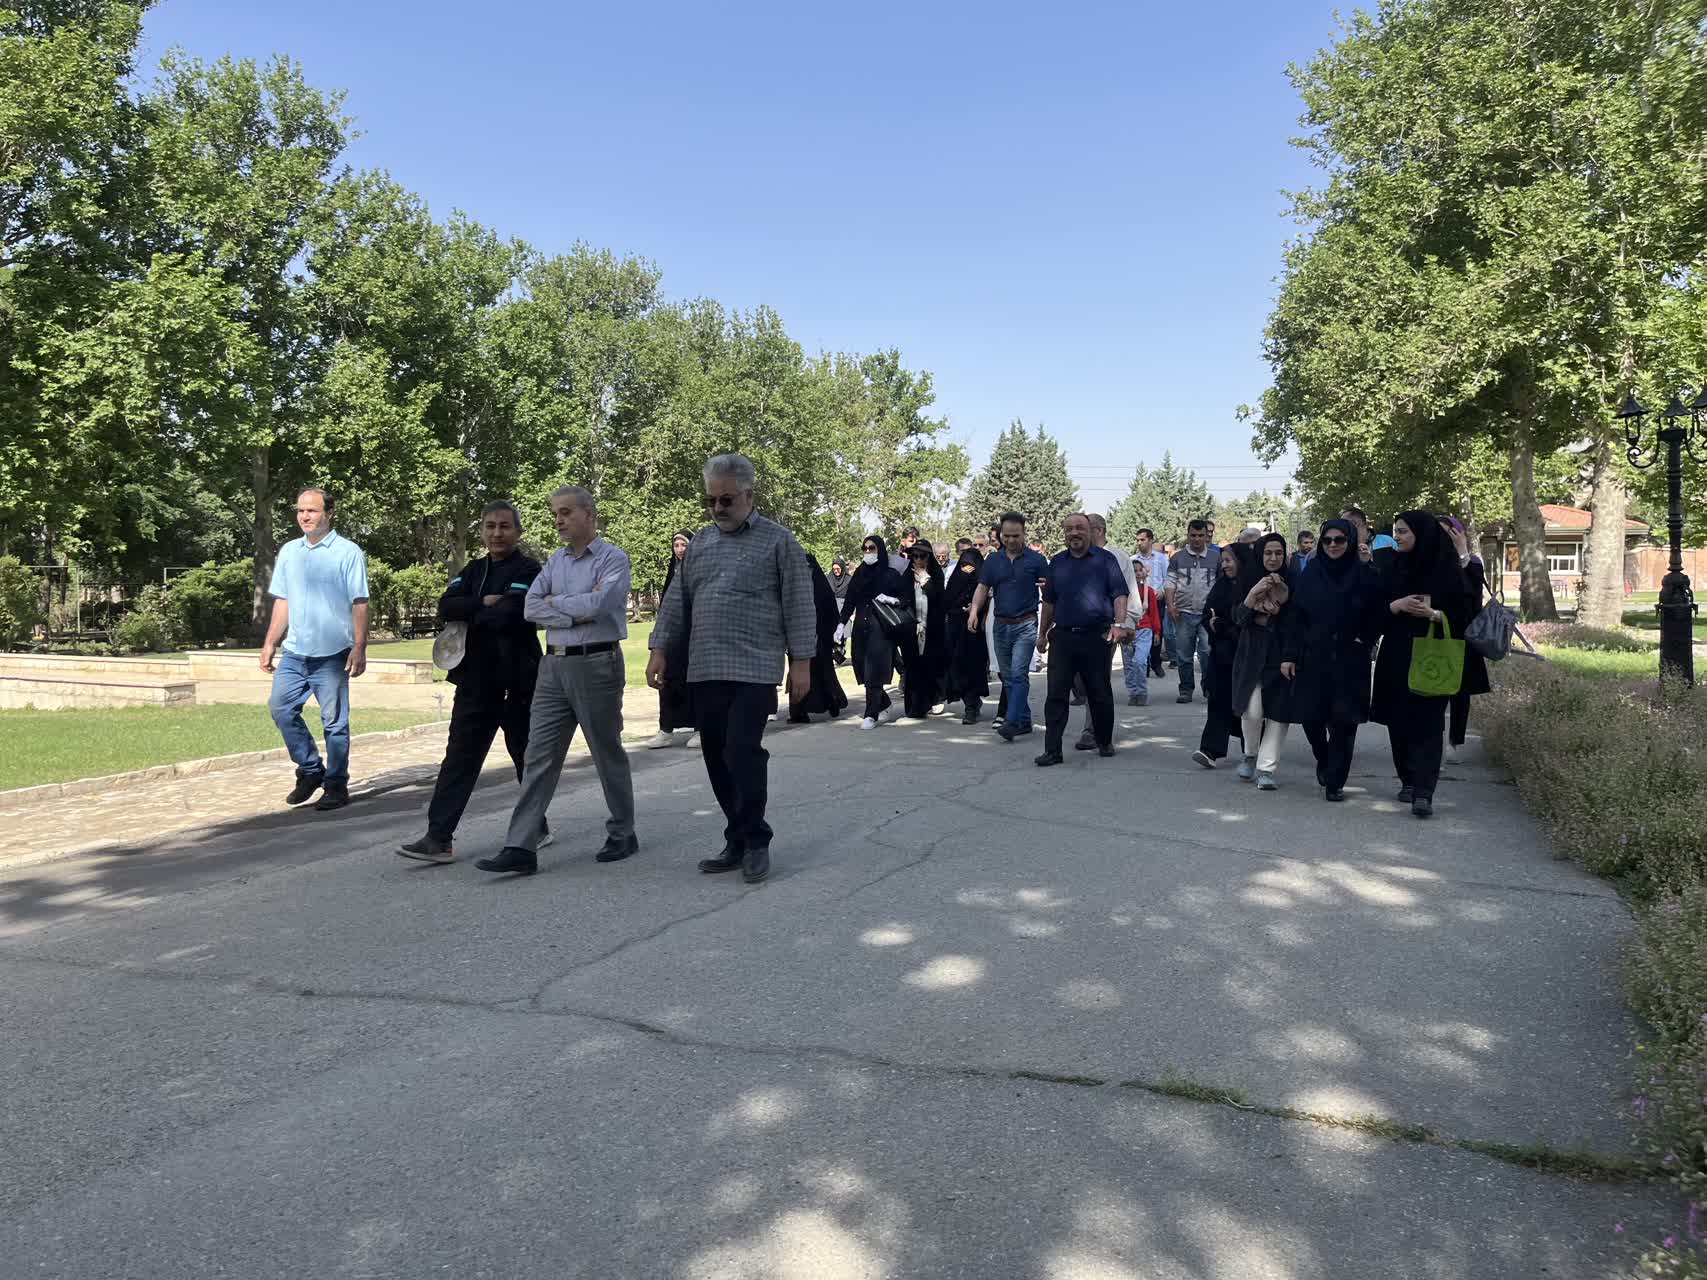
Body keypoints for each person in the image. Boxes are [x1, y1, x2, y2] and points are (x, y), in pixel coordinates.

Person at [646, 453, 817, 884]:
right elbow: (676, 602)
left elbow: (799, 604)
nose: (718, 508)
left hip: (755, 668)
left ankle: (756, 840)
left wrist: (801, 663)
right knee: (716, 756)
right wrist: (658, 649)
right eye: (711, 501)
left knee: (742, 751)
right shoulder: (700, 544)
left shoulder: (779, 541)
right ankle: (737, 837)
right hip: (705, 667)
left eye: (726, 500)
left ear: (748, 495)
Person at [476, 486, 636, 876]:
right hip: (553, 667)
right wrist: (572, 609)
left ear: (589, 514)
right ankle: (521, 845)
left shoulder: (613, 559)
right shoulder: (555, 562)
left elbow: (600, 605)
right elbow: (531, 608)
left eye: (566, 512)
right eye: (556, 513)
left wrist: (557, 604)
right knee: (538, 756)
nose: (559, 520)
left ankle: (622, 832)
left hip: (596, 663)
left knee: (605, 752)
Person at [398, 500, 543, 863]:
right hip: (474, 680)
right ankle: (438, 838)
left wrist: (477, 607)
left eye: (505, 526)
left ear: (518, 531)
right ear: (481, 531)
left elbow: (512, 612)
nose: (497, 533)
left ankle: (536, 827)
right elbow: (446, 607)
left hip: (518, 681)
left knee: (525, 756)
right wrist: (485, 603)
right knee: (459, 758)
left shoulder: (529, 568)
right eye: (490, 526)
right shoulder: (473, 570)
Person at [260, 486, 370, 813]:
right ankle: (310, 770)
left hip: (333, 654)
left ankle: (336, 786)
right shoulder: (289, 552)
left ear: (329, 514)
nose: (305, 516)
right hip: (295, 653)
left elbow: (360, 602)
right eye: (300, 510)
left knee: (334, 723)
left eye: (312, 510)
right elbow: (283, 600)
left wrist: (359, 647)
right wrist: (270, 643)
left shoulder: (348, 552)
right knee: (281, 709)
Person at [1370, 510, 1472, 819]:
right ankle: (1408, 780)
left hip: (1433, 656)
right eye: (1396, 531)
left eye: (1403, 531)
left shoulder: (1448, 570)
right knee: (1398, 722)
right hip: (1397, 655)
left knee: (1429, 724)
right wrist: (1395, 606)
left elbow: (1466, 615)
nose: (1397, 537)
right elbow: (1372, 614)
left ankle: (1424, 791)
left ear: (1421, 533)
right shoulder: (1390, 566)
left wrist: (1435, 615)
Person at [1284, 518, 1379, 802]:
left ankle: (1335, 781)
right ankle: (1324, 757)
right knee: (1311, 716)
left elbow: (1378, 611)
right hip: (1314, 656)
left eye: (1340, 540)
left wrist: (1365, 638)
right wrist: (1289, 655)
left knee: (1344, 721)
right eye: (1327, 540)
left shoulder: (1364, 574)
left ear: (1350, 542)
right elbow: (1297, 617)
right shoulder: (1311, 573)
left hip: (1350, 658)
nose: (1333, 545)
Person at [1035, 513, 1130, 766]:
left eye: (1079, 528)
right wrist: (1042, 635)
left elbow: (1120, 594)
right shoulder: (1057, 562)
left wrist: (1120, 625)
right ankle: (1052, 751)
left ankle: (1104, 741)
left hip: (1096, 637)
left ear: (1090, 531)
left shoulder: (1106, 560)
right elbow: (1049, 602)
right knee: (1056, 695)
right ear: (1064, 534)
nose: (1074, 533)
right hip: (1063, 638)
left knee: (1099, 692)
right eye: (1069, 529)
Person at [967, 512, 1051, 742]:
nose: (1011, 540)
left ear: (1024, 534)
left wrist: (1045, 629)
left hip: (1026, 624)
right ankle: (1024, 720)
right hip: (1001, 626)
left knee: (1019, 674)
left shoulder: (1036, 560)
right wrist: (974, 611)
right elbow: (982, 587)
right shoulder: (993, 560)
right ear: (1000, 535)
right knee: (1007, 676)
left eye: (1016, 535)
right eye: (1006, 536)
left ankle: (1011, 721)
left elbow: (1049, 593)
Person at [1230, 533, 1297, 790]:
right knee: (1253, 711)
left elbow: (1297, 620)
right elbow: (1238, 617)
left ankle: (1266, 769)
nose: (1273, 558)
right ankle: (1250, 753)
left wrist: (1282, 604)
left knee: (1278, 715)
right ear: (1260, 554)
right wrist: (1252, 597)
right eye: (1268, 553)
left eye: (1278, 553)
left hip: (1282, 656)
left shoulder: (1293, 580)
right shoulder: (1246, 579)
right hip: (1253, 655)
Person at [1073, 513, 1141, 747]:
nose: (1079, 533)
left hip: (1107, 628)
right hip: (1075, 628)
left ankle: (1093, 731)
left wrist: (1127, 625)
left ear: (1099, 531)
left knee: (1097, 678)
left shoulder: (1118, 558)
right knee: (1080, 679)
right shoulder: (1075, 556)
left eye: (1084, 528)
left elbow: (1130, 593)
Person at [836, 535, 908, 729]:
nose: (868, 552)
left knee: (874, 672)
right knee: (861, 667)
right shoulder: (859, 573)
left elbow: (905, 597)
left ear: (880, 550)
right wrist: (841, 624)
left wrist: (892, 600)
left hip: (881, 630)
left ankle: (871, 714)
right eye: (865, 548)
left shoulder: (890, 574)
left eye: (872, 548)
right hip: (861, 628)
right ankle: (884, 703)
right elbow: (850, 599)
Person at [1192, 544, 1250, 768]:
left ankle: (1251, 752)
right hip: (1221, 656)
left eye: (1229, 560)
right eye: (1222, 561)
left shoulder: (1251, 586)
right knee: (1217, 701)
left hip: (1245, 657)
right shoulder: (1220, 586)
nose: (1224, 565)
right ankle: (1210, 750)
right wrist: (1212, 624)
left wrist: (1225, 626)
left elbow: (1247, 622)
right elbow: (1208, 615)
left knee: (1247, 707)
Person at [1441, 515, 1491, 759]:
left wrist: (1462, 551)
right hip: (1436, 632)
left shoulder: (1471, 563)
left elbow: (1473, 594)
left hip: (1464, 636)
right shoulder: (1429, 562)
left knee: (1460, 693)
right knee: (1434, 688)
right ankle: (1434, 743)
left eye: (1448, 532)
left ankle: (1454, 741)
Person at [643, 530, 697, 749]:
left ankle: (701, 728)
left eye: (684, 545)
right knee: (667, 681)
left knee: (695, 683)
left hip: (695, 636)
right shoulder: (672, 572)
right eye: (676, 545)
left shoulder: (698, 569)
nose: (680, 549)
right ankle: (666, 729)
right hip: (673, 639)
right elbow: (667, 610)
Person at [787, 555, 850, 724]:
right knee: (796, 674)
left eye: (808, 567)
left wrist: (834, 636)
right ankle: (798, 713)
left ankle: (832, 702)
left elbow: (831, 613)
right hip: (797, 638)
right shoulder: (793, 587)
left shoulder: (821, 587)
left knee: (823, 673)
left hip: (820, 638)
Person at [1165, 519, 1217, 704]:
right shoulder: (1177, 558)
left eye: (1200, 535)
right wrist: (1170, 605)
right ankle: (1186, 689)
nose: (1197, 539)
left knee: (1207, 653)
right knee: (1184, 655)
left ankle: (1208, 689)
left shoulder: (1215, 557)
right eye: (1193, 535)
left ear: (1206, 536)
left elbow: (1221, 585)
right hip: (1183, 613)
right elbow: (1170, 583)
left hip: (1207, 614)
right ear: (1188, 535)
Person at [941, 547, 990, 723]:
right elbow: (947, 600)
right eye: (963, 565)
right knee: (957, 668)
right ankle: (969, 702)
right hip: (955, 630)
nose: (967, 569)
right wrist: (961, 577)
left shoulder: (984, 581)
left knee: (973, 669)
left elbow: (987, 598)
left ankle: (972, 706)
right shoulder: (957, 578)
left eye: (971, 565)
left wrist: (976, 608)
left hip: (975, 632)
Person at [900, 541, 947, 718]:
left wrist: (924, 579)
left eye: (922, 556)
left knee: (930, 665)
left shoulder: (936, 575)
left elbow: (938, 598)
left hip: (932, 628)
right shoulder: (907, 575)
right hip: (912, 628)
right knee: (912, 666)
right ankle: (914, 706)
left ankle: (934, 699)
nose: (918, 560)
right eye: (915, 556)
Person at [1123, 554, 1162, 705]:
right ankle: (1133, 693)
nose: (1138, 573)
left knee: (1139, 661)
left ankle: (1141, 692)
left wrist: (1157, 631)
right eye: (1134, 571)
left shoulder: (1149, 591)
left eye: (1140, 570)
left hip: (1144, 630)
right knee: (1129, 664)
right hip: (1127, 629)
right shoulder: (1123, 591)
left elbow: (1154, 612)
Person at [1135, 528, 1172, 676]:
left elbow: (1168, 578)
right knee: (1141, 629)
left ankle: (1156, 662)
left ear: (1150, 540)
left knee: (1157, 629)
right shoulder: (1133, 560)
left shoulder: (1161, 559)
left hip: (1157, 599)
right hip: (1139, 600)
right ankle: (1143, 663)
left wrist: (1162, 591)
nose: (1139, 543)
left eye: (1142, 539)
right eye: (1137, 540)